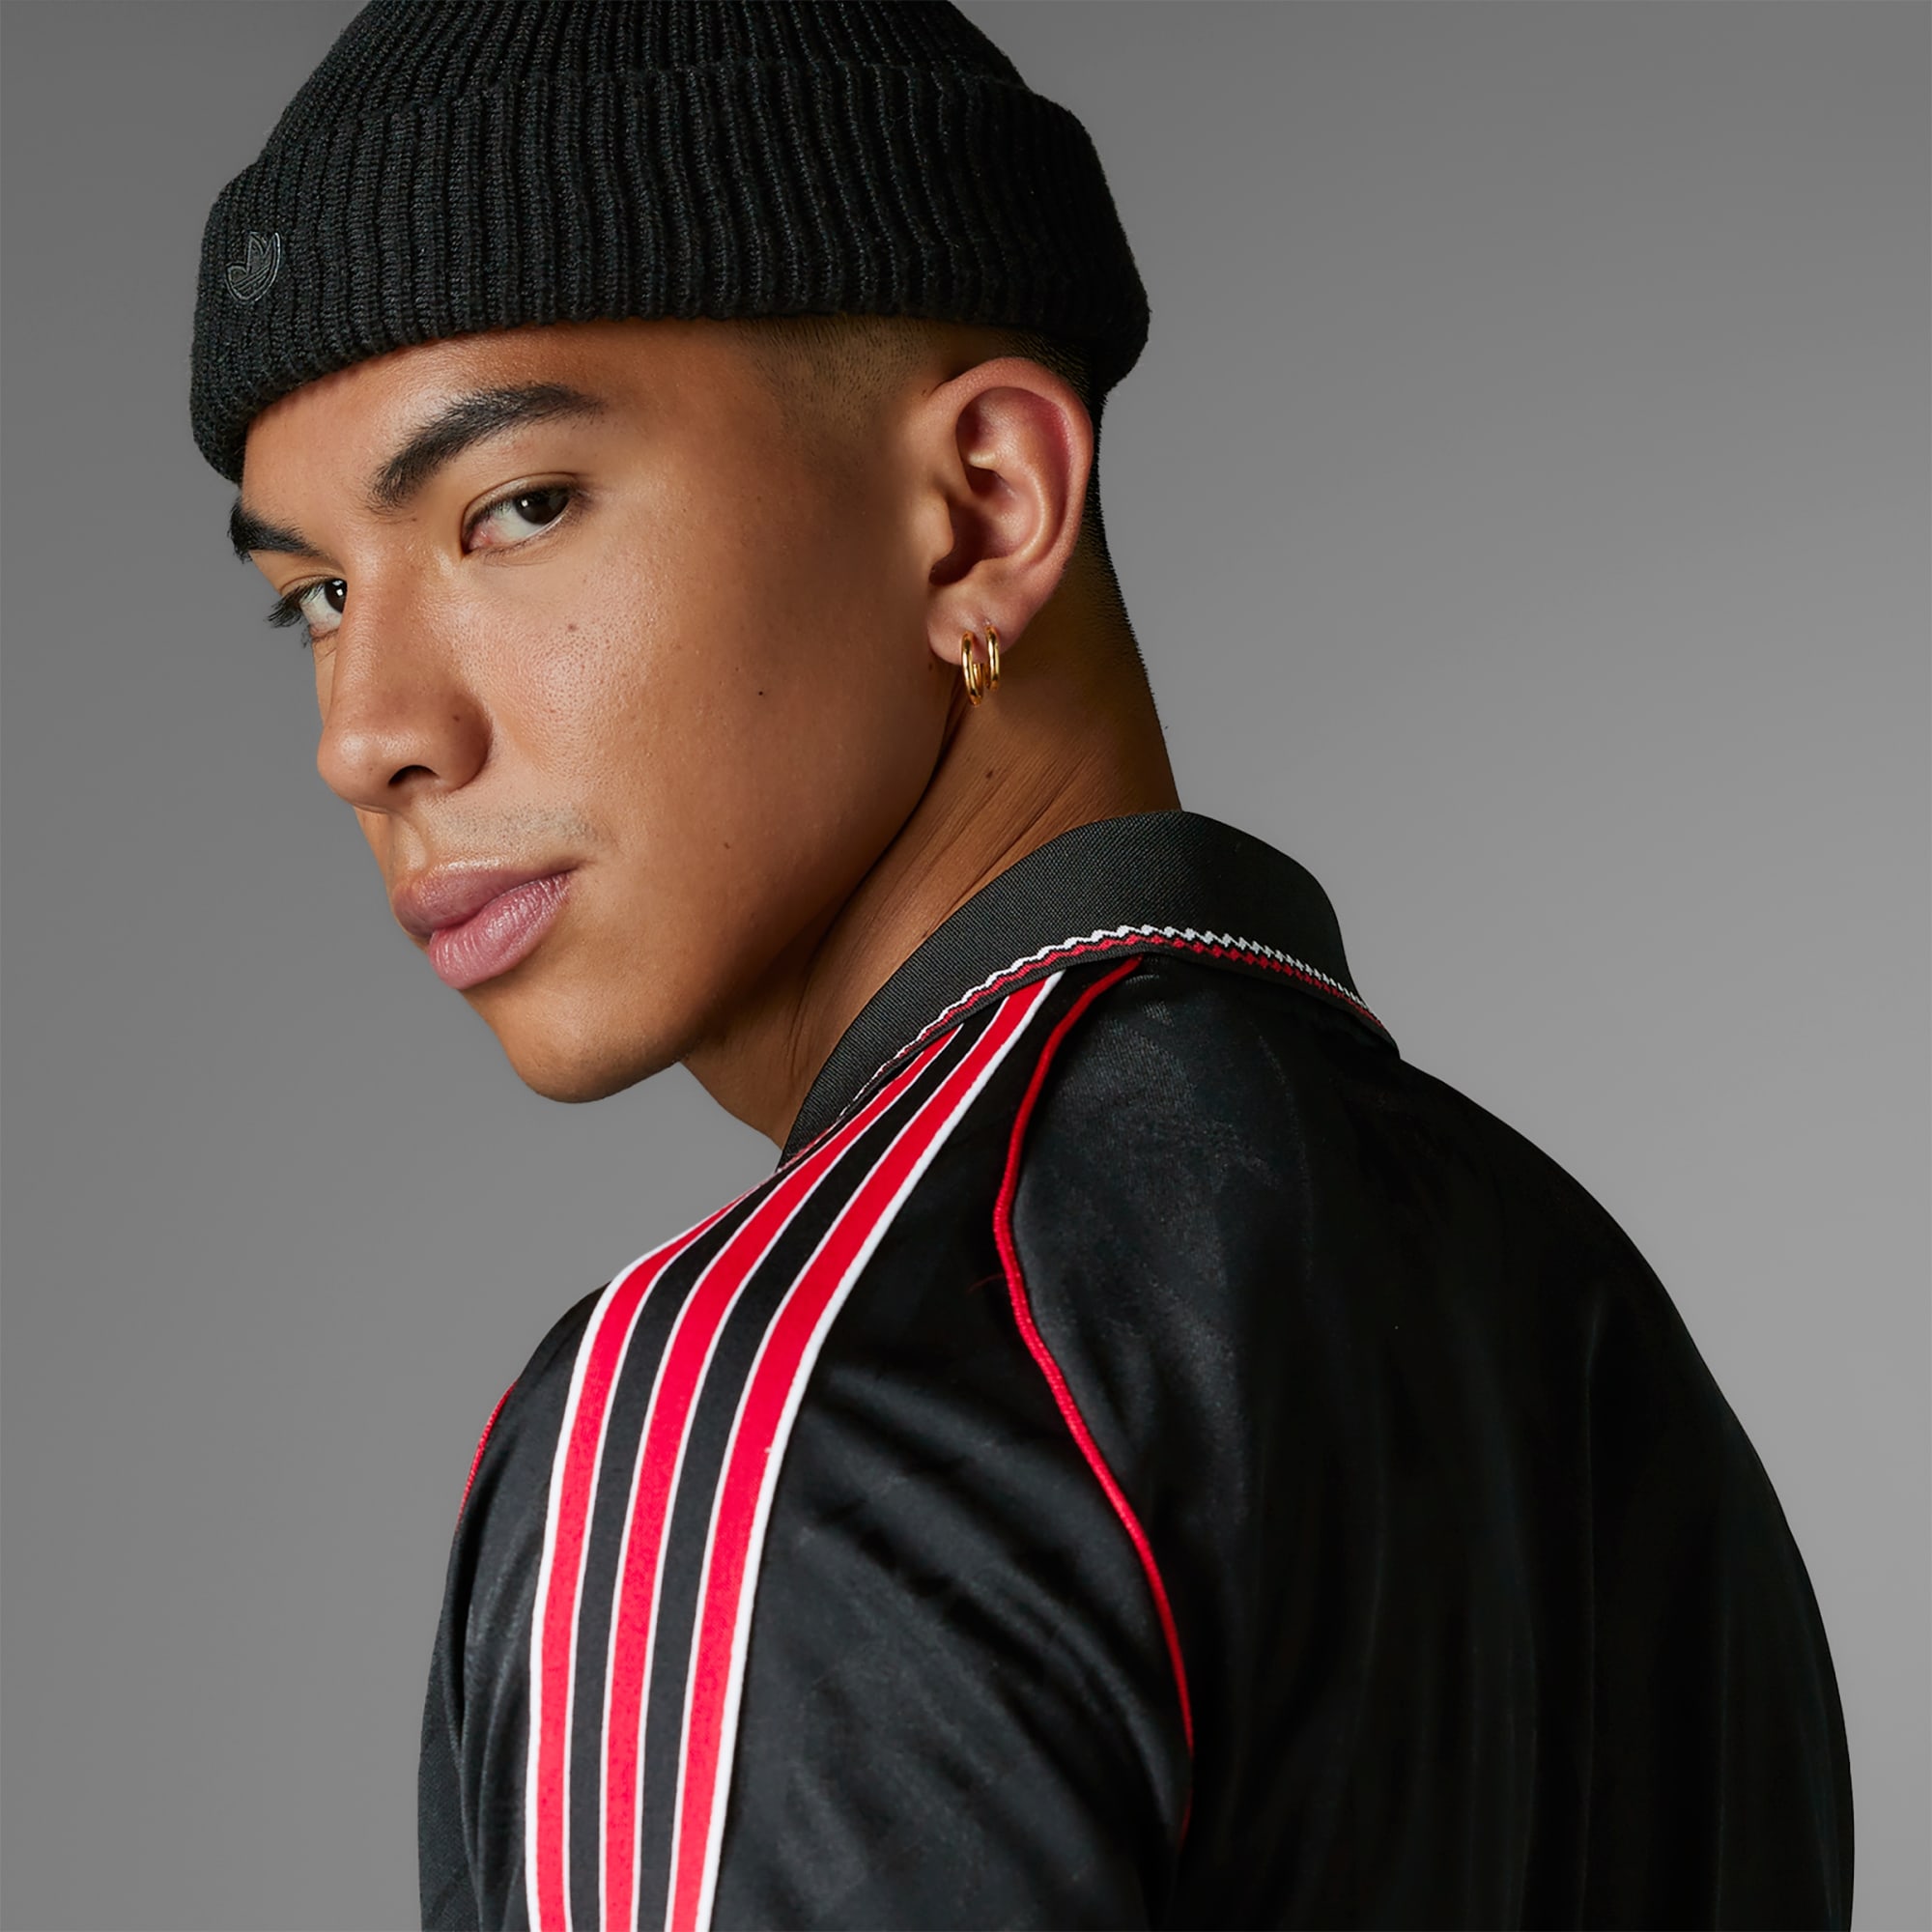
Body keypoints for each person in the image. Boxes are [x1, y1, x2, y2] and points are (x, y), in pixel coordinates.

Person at [188, 3, 1854, 1927]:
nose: (369, 733)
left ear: (984, 505)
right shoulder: (1580, 1323)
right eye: (317, 596)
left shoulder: (770, 1416)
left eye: (518, 509)